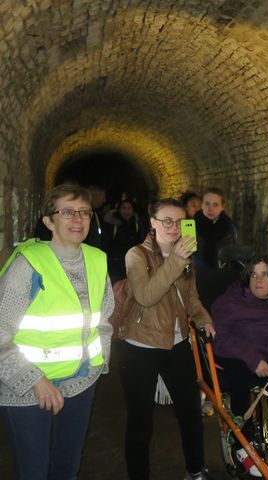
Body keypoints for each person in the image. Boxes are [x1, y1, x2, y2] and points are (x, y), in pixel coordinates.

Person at [0, 183, 114, 479]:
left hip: (79, 384)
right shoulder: (28, 266)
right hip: (27, 389)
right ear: (49, 221)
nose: (78, 219)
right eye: (67, 212)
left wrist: (97, 365)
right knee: (34, 471)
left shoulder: (96, 260)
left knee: (67, 468)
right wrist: (35, 379)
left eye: (84, 212)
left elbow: (103, 319)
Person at [119, 198, 215, 480]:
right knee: (140, 421)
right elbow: (146, 296)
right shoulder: (136, 255)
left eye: (180, 221)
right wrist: (175, 260)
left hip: (177, 344)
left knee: (191, 413)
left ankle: (196, 470)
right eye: (166, 221)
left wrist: (202, 317)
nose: (174, 227)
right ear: (152, 222)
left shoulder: (185, 255)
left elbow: (191, 298)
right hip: (141, 346)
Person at [210, 255, 268, 476]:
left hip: (267, 360)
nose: (258, 279)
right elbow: (220, 338)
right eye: (254, 274)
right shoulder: (231, 302)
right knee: (239, 370)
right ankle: (241, 442)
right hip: (232, 358)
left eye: (264, 274)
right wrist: (252, 358)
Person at [193, 187, 238, 310]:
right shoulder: (189, 226)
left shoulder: (229, 228)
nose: (210, 208)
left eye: (215, 204)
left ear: (222, 207)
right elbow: (186, 255)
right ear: (201, 205)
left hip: (222, 281)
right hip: (197, 281)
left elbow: (232, 255)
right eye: (207, 203)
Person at [103, 199, 146, 282]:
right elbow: (105, 245)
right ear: (119, 210)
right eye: (124, 208)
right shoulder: (112, 226)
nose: (127, 211)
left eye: (129, 208)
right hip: (115, 266)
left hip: (131, 265)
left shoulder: (136, 225)